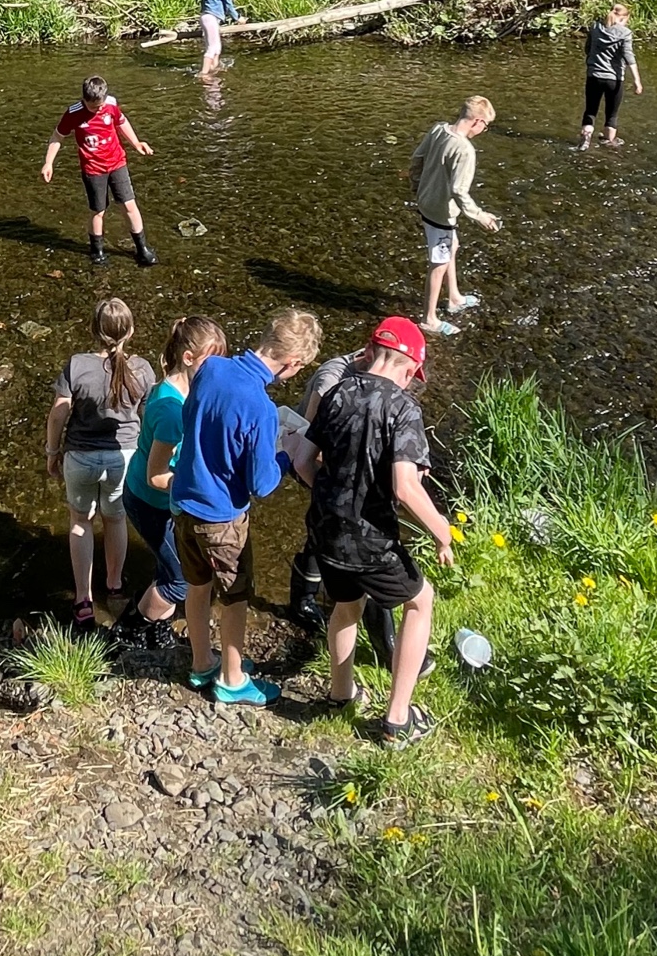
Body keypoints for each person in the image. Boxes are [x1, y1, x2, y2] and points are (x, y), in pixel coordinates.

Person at [308, 316, 457, 746]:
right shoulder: (404, 408)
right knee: (420, 601)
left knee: (346, 606)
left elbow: (303, 460)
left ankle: (341, 694)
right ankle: (397, 719)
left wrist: (328, 494)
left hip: (324, 528)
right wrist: (441, 530)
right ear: (411, 371)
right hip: (369, 539)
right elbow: (405, 487)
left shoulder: (335, 392)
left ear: (370, 353)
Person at [169, 308, 322, 704]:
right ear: (292, 364)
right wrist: (286, 453)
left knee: (197, 588)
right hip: (221, 519)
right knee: (235, 598)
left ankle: (202, 662)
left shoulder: (211, 368)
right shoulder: (261, 408)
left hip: (184, 504)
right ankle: (232, 680)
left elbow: (191, 418)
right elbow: (262, 484)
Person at [46, 296, 156, 629]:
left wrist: (52, 452)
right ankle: (115, 584)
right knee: (116, 519)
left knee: (80, 521)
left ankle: (83, 599)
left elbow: (58, 413)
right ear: (131, 330)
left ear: (93, 330)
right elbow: (151, 416)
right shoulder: (143, 369)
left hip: (80, 456)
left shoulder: (76, 365)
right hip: (124, 456)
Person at [121, 315, 224, 652]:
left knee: (168, 564)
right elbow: (156, 475)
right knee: (179, 581)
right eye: (213, 362)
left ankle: (157, 627)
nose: (219, 371)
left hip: (164, 501)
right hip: (149, 501)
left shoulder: (189, 389)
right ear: (188, 358)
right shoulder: (170, 411)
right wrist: (201, 485)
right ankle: (131, 629)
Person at [407, 96, 500, 335]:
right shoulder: (465, 150)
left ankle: (455, 297)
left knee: (452, 246)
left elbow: (417, 159)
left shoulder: (438, 129)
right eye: (485, 126)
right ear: (477, 121)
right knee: (438, 263)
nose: (483, 130)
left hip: (426, 202)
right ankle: (429, 319)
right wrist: (480, 216)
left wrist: (416, 186)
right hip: (441, 213)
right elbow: (459, 191)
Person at [41, 76, 157, 266]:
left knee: (129, 205)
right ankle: (97, 250)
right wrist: (48, 162)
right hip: (93, 169)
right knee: (98, 210)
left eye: (101, 105)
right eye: (94, 107)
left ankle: (142, 248)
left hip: (117, 163)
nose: (99, 109)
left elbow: (121, 121)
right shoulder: (73, 113)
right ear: (85, 100)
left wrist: (136, 143)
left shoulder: (110, 105)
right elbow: (57, 136)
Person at [577, 0, 643, 151]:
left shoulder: (595, 27)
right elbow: (629, 58)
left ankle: (585, 141)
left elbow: (587, 49)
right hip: (614, 79)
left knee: (590, 110)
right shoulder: (625, 33)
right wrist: (637, 81)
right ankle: (608, 141)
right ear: (623, 18)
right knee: (612, 114)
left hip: (594, 76)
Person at [199, 0, 244, 76]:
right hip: (211, 18)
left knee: (217, 47)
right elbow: (229, 6)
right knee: (212, 47)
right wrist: (238, 18)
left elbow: (203, 0)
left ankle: (214, 68)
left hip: (205, 16)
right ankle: (203, 74)